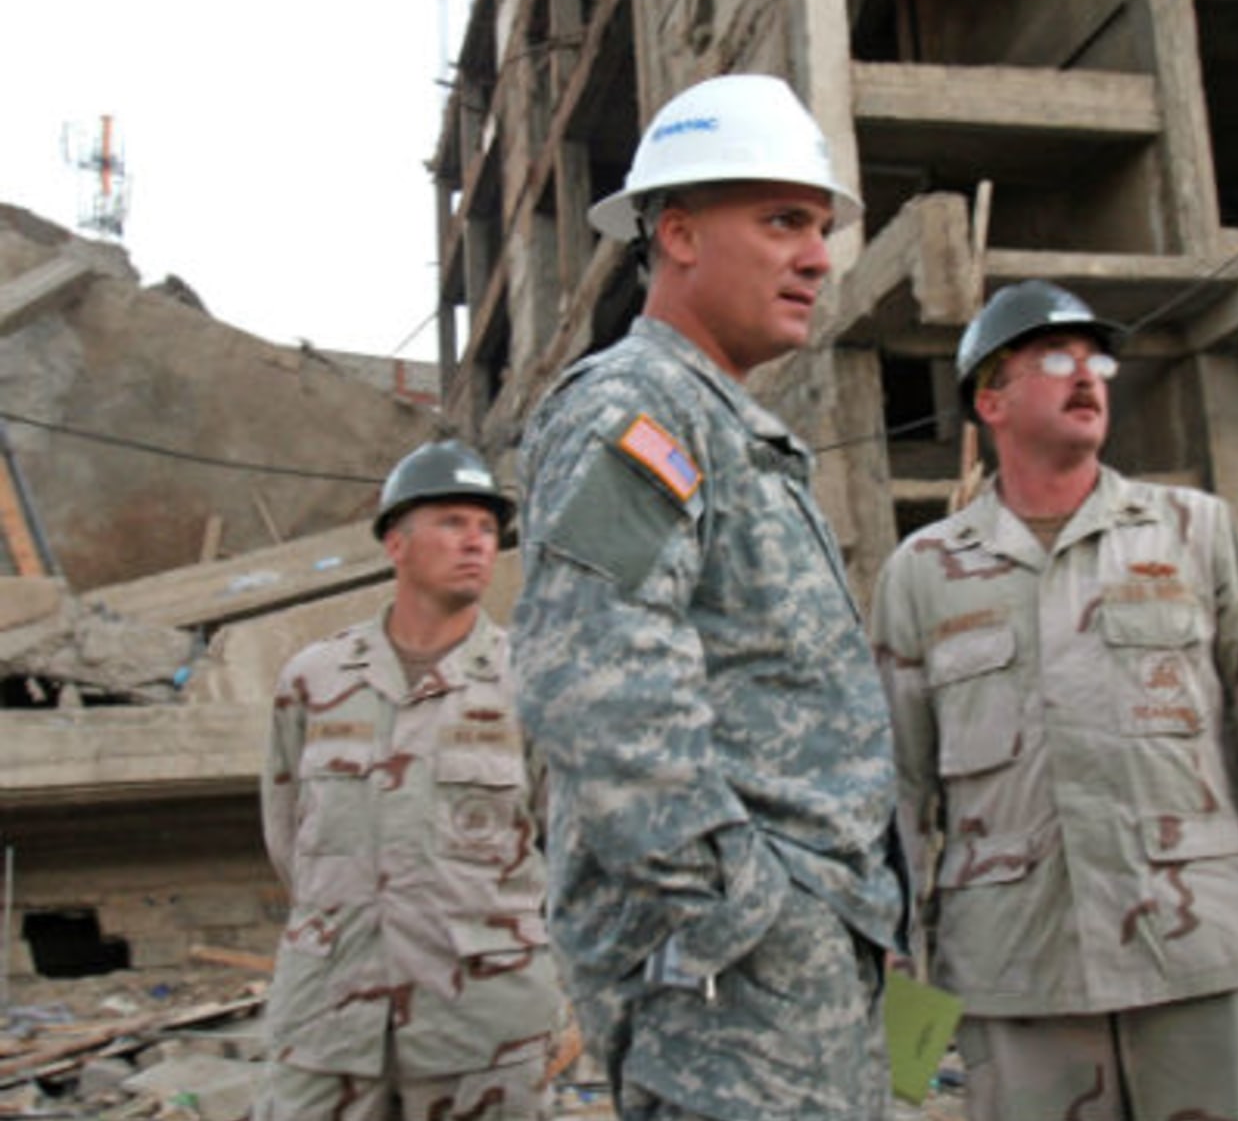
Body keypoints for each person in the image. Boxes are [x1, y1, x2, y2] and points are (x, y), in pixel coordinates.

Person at [511, 73, 906, 1120]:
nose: (818, 255)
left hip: (795, 964)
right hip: (734, 985)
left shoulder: (727, 424)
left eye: (819, 225)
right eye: (782, 220)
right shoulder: (639, 409)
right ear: (677, 233)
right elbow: (592, 681)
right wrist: (753, 906)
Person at [869, 279, 1238, 1121]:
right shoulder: (924, 573)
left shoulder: (1195, 531)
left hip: (1204, 956)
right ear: (990, 401)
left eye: (1097, 360)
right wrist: (889, 963)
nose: (1086, 377)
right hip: (1019, 977)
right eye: (1052, 359)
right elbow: (891, 791)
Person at [258, 439, 564, 1120]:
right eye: (453, 522)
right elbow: (287, 836)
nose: (476, 542)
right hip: (329, 1017)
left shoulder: (531, 682)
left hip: (483, 1022)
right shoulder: (317, 679)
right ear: (396, 543)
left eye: (488, 528)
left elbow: (565, 842)